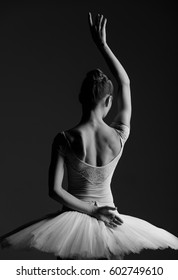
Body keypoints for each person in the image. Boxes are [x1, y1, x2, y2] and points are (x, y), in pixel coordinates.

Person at [0, 13, 178, 260]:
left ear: (80, 99)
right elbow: (125, 83)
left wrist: (92, 213)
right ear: (108, 101)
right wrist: (103, 45)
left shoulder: (64, 139)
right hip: (111, 219)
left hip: (72, 224)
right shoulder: (119, 135)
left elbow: (54, 190)